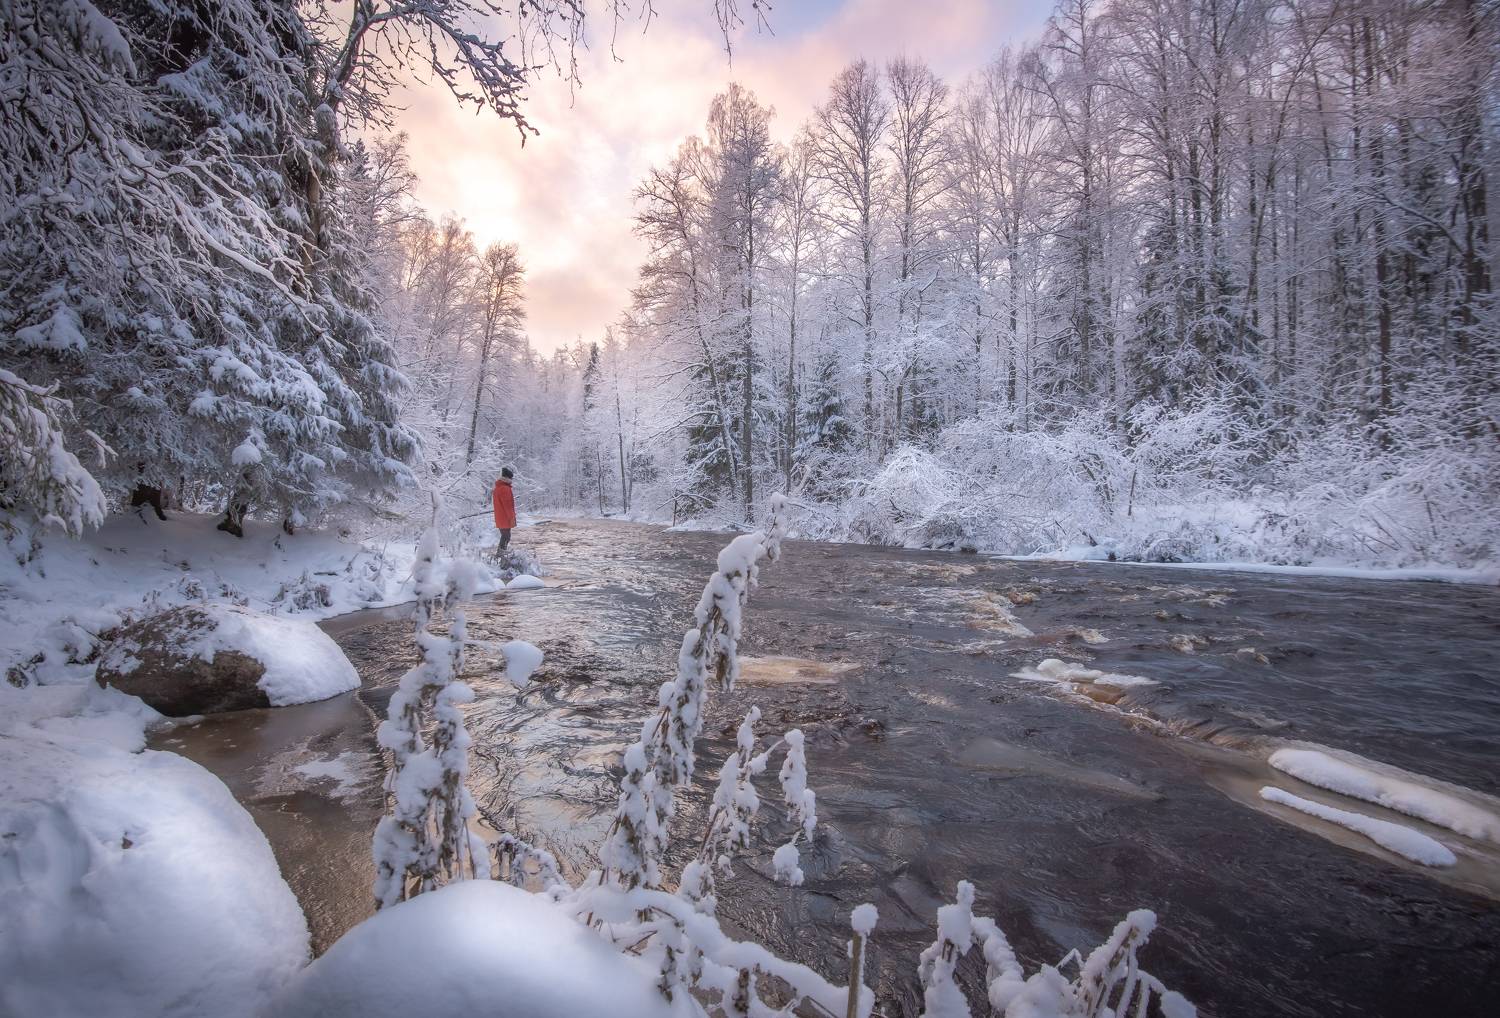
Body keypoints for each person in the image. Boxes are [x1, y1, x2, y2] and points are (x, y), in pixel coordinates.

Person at [492, 467, 517, 551]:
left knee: (505, 537)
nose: (512, 480)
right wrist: (512, 518)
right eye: (511, 478)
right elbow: (508, 505)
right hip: (505, 518)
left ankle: (501, 556)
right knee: (506, 537)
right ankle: (500, 556)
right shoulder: (505, 489)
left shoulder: (498, 488)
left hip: (500, 517)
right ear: (507, 478)